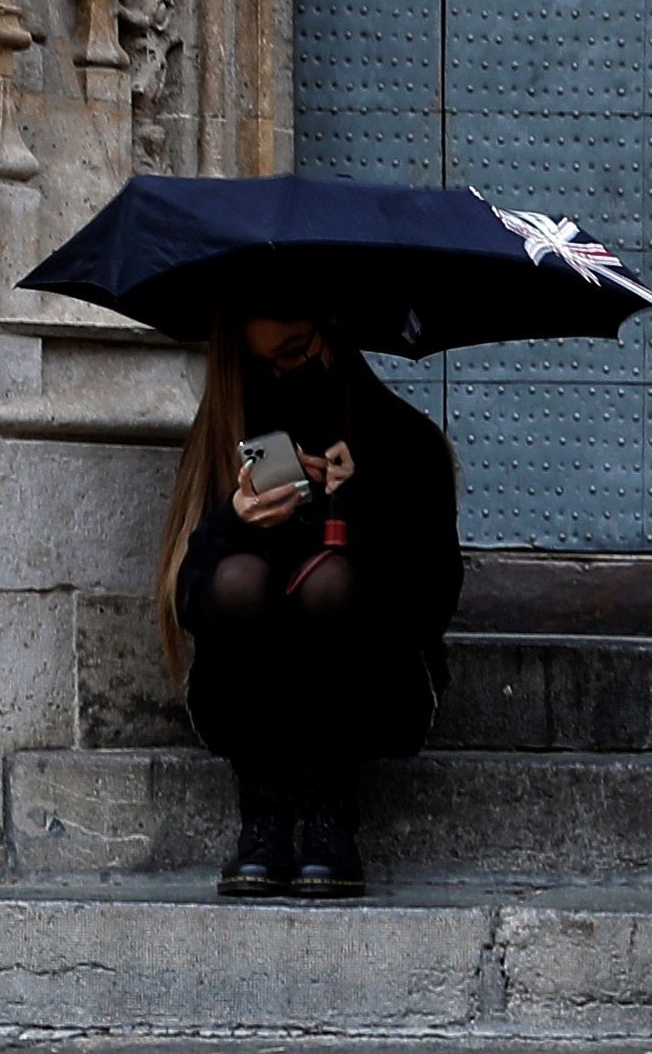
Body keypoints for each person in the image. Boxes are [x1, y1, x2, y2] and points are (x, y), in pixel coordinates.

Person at [155, 308, 462, 901]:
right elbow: (189, 602)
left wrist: (360, 510)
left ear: (332, 333)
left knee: (329, 584)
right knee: (240, 577)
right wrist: (232, 523)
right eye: (261, 362)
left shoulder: (405, 440)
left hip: (381, 692)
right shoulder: (230, 438)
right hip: (240, 702)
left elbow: (432, 603)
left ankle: (331, 816)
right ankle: (263, 819)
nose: (281, 372)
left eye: (294, 351)